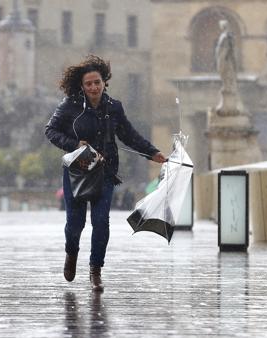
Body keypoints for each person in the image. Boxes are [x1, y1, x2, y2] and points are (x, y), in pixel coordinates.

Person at [45, 55, 166, 292]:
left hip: (104, 171)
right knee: (75, 224)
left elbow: (129, 135)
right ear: (82, 86)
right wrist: (73, 145)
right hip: (77, 173)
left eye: (97, 82)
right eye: (88, 84)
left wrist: (153, 153)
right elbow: (50, 130)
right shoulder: (70, 106)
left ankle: (95, 270)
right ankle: (72, 252)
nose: (93, 87)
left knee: (101, 222)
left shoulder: (114, 108)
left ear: (104, 82)